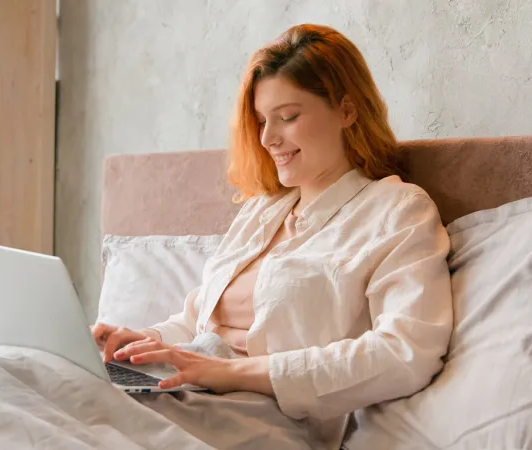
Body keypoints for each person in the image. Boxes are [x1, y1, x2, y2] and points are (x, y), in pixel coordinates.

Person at [91, 23, 453, 444]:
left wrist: (231, 372)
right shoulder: (262, 211)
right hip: (185, 389)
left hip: (261, 414)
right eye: (262, 120)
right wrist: (144, 344)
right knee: (19, 373)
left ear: (347, 111)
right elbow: (197, 321)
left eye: (288, 117)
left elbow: (406, 351)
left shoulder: (395, 211)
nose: (267, 138)